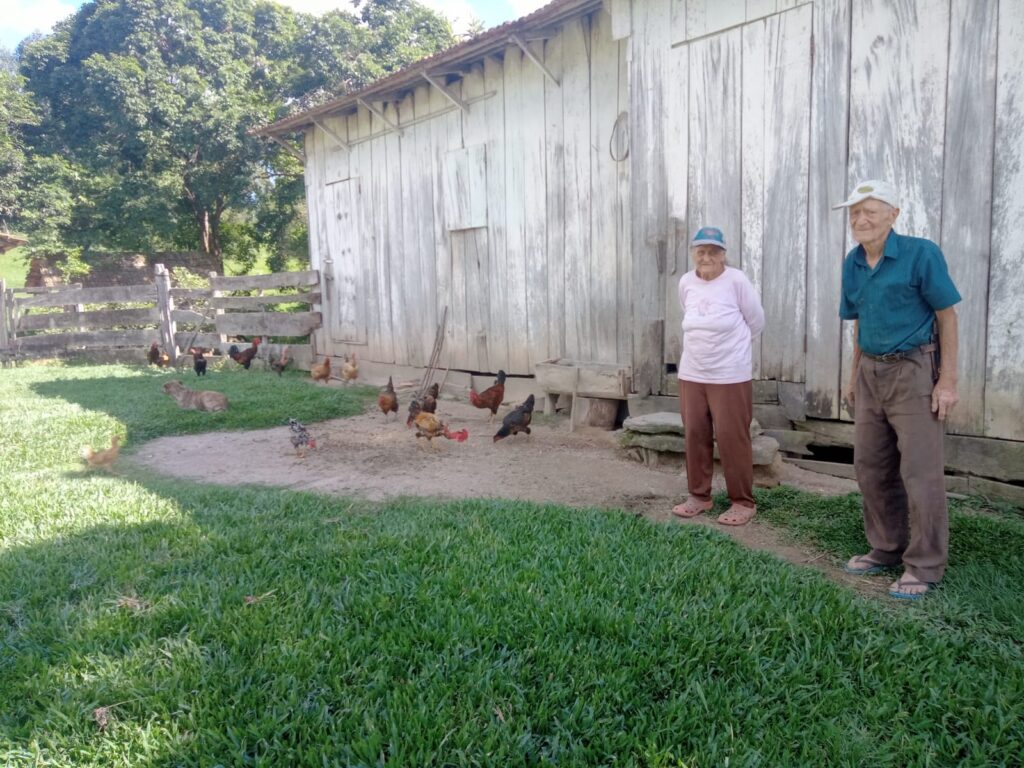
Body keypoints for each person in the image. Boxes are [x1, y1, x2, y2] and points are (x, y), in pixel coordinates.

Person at [834, 179, 961, 600]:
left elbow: (947, 316)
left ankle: (924, 565)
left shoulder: (920, 254)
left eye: (871, 210)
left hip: (914, 370)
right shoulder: (853, 262)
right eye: (855, 213)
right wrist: (853, 377)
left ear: (894, 215)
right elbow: (859, 324)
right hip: (870, 371)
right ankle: (886, 548)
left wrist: (948, 381)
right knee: (871, 465)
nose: (861, 219)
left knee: (920, 471)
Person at [671, 226, 765, 526]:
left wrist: (731, 352)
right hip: (692, 372)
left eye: (713, 251)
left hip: (729, 374)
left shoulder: (736, 280)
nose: (706, 256)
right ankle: (699, 496)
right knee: (695, 432)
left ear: (724, 254)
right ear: (693, 254)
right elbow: (689, 315)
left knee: (731, 436)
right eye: (701, 251)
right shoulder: (686, 282)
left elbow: (755, 321)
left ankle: (742, 501)